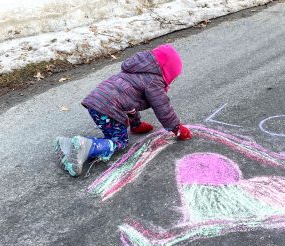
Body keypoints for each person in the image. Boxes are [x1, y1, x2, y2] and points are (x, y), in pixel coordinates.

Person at [54, 44, 191, 177]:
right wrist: (176, 128)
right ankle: (86, 146)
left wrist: (136, 124)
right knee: (120, 141)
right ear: (167, 72)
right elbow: (163, 107)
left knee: (113, 133)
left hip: (97, 104)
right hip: (108, 108)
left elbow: (129, 103)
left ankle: (69, 144)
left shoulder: (136, 71)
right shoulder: (154, 82)